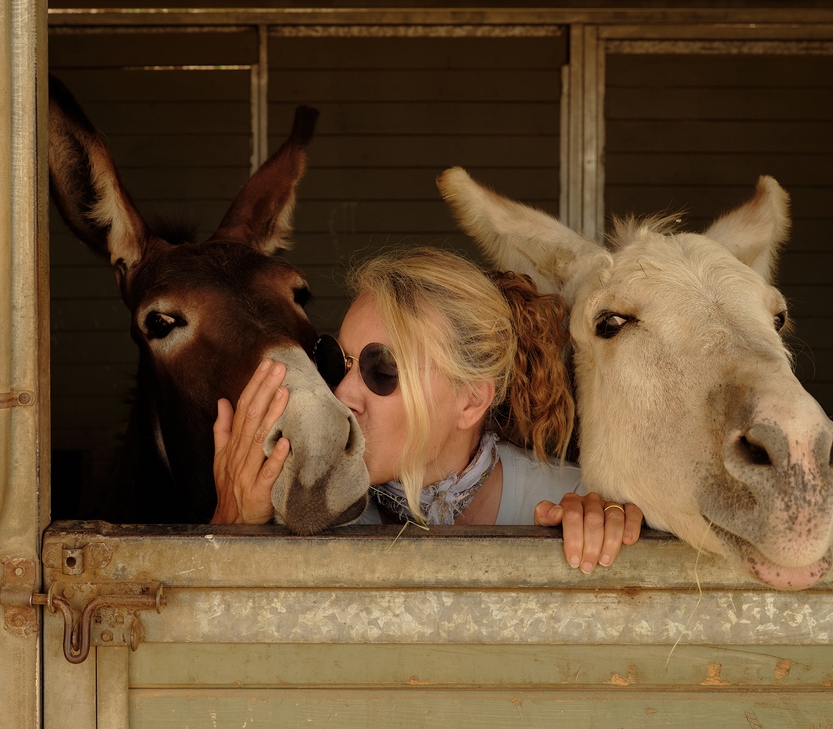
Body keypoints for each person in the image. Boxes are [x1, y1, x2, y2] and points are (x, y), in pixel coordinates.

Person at [212, 246, 643, 573]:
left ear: (471, 400)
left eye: (381, 368)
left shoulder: (568, 500)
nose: (342, 395)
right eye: (335, 361)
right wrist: (232, 528)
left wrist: (611, 530)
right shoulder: (301, 500)